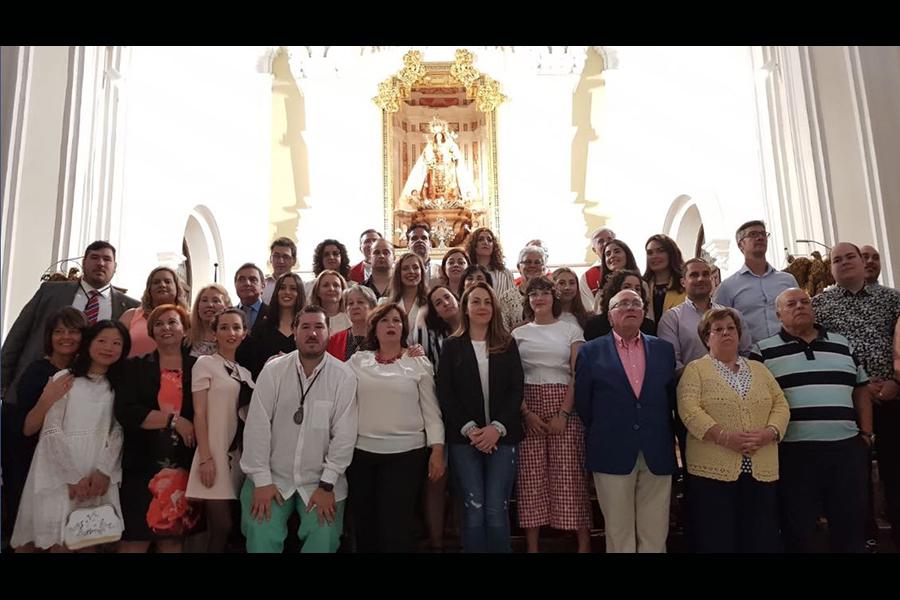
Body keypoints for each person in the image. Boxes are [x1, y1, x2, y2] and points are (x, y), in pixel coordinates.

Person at [751, 288, 871, 553]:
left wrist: (866, 434)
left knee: (850, 523)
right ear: (778, 314)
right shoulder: (763, 351)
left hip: (846, 449)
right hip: (794, 451)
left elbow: (861, 389)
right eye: (791, 303)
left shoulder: (843, 343)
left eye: (805, 302)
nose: (800, 306)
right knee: (800, 528)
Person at [240, 306, 358, 553]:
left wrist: (327, 485)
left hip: (321, 481)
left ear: (328, 332)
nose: (312, 333)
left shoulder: (344, 375)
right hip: (271, 475)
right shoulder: (274, 370)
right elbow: (257, 426)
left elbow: (344, 436)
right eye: (305, 327)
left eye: (319, 327)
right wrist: (261, 480)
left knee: (324, 537)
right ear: (294, 332)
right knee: (261, 535)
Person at [677, 307, 790, 552]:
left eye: (731, 328)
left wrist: (768, 433)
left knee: (760, 537)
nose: (725, 333)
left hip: (761, 466)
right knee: (718, 539)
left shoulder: (759, 369)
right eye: (718, 330)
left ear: (739, 335)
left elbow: (781, 404)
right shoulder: (695, 370)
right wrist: (725, 437)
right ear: (707, 338)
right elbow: (689, 410)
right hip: (712, 471)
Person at [10, 319, 128, 552]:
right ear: (89, 343)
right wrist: (71, 476)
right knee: (57, 542)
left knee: (86, 542)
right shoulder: (65, 378)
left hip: (96, 471)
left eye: (116, 343)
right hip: (59, 470)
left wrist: (105, 470)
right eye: (102, 340)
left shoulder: (118, 385)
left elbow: (118, 430)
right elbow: (52, 429)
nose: (108, 347)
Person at [575, 289, 678, 553]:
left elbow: (670, 400)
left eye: (636, 303)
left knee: (655, 534)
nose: (630, 308)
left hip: (656, 450)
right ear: (610, 316)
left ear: (643, 313)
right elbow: (584, 405)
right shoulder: (590, 352)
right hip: (611, 450)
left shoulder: (664, 350)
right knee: (619, 534)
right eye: (622, 304)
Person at [811, 241, 900, 548]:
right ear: (831, 268)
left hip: (891, 396)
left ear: (864, 263)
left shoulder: (892, 299)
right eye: (838, 259)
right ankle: (865, 537)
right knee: (853, 476)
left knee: (895, 467)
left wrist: (896, 382)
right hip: (846, 400)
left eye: (851, 257)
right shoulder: (819, 305)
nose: (845, 262)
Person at [347, 303, 445, 552]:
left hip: (406, 455)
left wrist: (437, 449)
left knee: (397, 527)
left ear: (404, 328)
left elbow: (431, 411)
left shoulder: (418, 362)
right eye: (384, 321)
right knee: (365, 525)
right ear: (374, 328)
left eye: (396, 321)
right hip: (362, 455)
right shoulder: (358, 361)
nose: (391, 325)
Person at [437, 282, 524, 552]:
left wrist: (496, 428)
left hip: (502, 436)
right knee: (473, 510)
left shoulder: (506, 343)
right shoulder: (452, 346)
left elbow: (516, 388)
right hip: (465, 440)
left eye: (487, 301)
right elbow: (445, 392)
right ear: (465, 307)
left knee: (496, 509)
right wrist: (471, 429)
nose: (482, 307)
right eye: (476, 301)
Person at [2, 240, 139, 405]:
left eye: (107, 259)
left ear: (115, 266)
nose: (100, 263)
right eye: (94, 257)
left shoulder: (130, 307)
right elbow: (18, 335)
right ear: (84, 262)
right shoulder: (51, 291)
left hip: (93, 395)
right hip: (36, 384)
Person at [513, 276, 592, 553]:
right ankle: (533, 547)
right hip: (529, 403)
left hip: (564, 403)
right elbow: (511, 378)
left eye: (544, 292)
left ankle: (583, 544)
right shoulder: (518, 334)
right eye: (533, 293)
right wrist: (526, 413)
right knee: (531, 478)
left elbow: (576, 374)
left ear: (553, 297)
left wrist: (564, 413)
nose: (539, 298)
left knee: (570, 473)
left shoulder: (570, 330)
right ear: (528, 300)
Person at [115, 305, 199, 552]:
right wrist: (173, 420)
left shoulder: (199, 367)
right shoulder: (135, 367)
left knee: (172, 540)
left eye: (173, 322)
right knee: (133, 541)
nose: (166, 328)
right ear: (151, 332)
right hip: (141, 466)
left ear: (184, 329)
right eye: (159, 324)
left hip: (182, 467)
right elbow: (126, 411)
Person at [4, 308, 89, 541]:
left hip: (74, 465)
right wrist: (47, 398)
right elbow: (27, 428)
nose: (65, 337)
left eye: (73, 331)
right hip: (35, 465)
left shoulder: (87, 374)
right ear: (49, 337)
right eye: (58, 331)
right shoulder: (36, 371)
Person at [185, 308, 253, 553]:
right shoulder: (205, 364)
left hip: (235, 457)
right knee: (221, 525)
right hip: (211, 453)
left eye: (236, 327)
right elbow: (199, 413)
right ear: (214, 334)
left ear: (245, 333)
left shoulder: (244, 373)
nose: (230, 332)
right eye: (224, 327)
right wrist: (205, 459)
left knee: (228, 528)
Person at [657, 258, 752, 376]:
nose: (701, 279)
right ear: (683, 282)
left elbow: (745, 353)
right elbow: (672, 362)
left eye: (705, 274)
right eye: (694, 275)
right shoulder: (671, 319)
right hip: (693, 387)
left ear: (712, 279)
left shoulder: (732, 315)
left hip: (735, 385)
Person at [713, 220, 798, 345]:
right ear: (741, 245)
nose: (760, 238)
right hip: (751, 356)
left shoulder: (787, 280)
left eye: (763, 234)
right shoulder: (727, 287)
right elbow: (718, 325)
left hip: (790, 351)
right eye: (753, 234)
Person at [236, 272, 306, 380]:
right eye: (282, 288)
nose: (287, 292)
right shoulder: (261, 328)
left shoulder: (307, 329)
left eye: (293, 288)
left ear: (300, 293)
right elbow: (252, 366)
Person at [120, 266, 190, 358]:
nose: (162, 285)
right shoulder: (131, 315)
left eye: (167, 281)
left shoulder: (189, 319)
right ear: (149, 289)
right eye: (156, 282)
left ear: (177, 288)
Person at [584, 269, 656, 341]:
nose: (632, 291)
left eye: (637, 288)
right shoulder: (595, 325)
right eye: (626, 287)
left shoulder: (648, 327)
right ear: (614, 291)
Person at [499, 244, 549, 331]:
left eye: (537, 262)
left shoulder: (553, 295)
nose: (532, 265)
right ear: (519, 267)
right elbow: (502, 332)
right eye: (528, 262)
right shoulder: (507, 298)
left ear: (544, 268)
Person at [383, 253, 428, 344]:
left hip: (426, 356)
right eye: (405, 268)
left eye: (415, 267)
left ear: (422, 272)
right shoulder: (384, 304)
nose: (411, 271)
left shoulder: (431, 302)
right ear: (398, 274)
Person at [643, 234, 687, 323]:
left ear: (671, 254)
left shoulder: (686, 284)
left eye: (660, 251)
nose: (655, 256)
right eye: (650, 253)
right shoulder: (641, 286)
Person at [327, 285, 377, 362]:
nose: (355, 306)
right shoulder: (334, 341)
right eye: (350, 303)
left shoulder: (382, 338)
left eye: (360, 302)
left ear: (372, 307)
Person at [594, 239, 644, 313]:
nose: (612, 256)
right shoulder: (601, 291)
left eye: (617, 252)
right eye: (608, 254)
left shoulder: (642, 285)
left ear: (627, 255)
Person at [465, 227, 514, 295]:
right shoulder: (467, 271)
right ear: (474, 245)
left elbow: (512, 299)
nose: (485, 242)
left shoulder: (505, 273)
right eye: (480, 239)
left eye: (489, 240)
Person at [188, 283, 232, 357]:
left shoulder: (234, 340)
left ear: (227, 307)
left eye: (216, 301)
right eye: (204, 300)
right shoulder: (187, 340)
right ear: (197, 306)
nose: (210, 305)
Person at [579, 227, 616, 311]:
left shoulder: (630, 268)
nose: (606, 243)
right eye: (600, 241)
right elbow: (590, 309)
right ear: (594, 250)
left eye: (610, 239)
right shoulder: (587, 277)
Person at [552, 266, 591, 331]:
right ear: (553, 286)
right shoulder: (546, 317)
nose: (567, 287)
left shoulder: (588, 318)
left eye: (572, 283)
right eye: (561, 283)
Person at [262, 237, 298, 305]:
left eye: (285, 257)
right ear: (270, 259)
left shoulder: (302, 287)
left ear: (294, 261)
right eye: (276, 256)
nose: (281, 261)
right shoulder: (262, 286)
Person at [234, 263, 268, 331]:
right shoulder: (228, 315)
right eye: (241, 279)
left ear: (263, 285)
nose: (247, 283)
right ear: (235, 284)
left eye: (253, 279)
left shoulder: (274, 314)